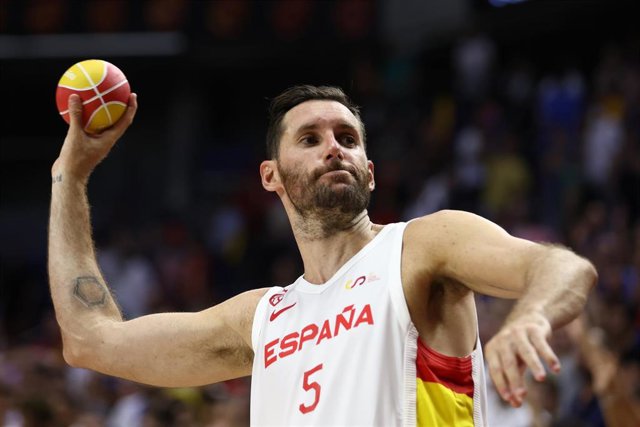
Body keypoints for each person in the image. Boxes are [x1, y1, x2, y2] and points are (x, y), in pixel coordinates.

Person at [48, 85, 597, 426]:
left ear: (370, 170)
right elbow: (90, 340)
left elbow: (564, 266)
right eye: (309, 139)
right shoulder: (260, 317)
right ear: (271, 177)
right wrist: (69, 177)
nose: (334, 146)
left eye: (347, 137)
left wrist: (530, 313)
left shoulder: (422, 245)